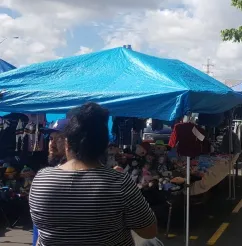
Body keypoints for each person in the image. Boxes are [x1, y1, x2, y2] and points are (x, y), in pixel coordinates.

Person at [29, 103, 159, 246]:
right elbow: (149, 231)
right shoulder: (119, 182)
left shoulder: (41, 180)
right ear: (104, 145)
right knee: (153, 243)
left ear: (67, 143)